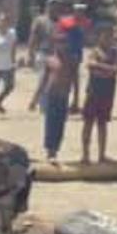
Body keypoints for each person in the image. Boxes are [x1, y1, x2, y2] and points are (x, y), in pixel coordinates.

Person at [80, 23, 117, 164]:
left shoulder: (115, 52)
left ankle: (101, 155)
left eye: (110, 35)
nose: (108, 38)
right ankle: (85, 155)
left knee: (102, 123)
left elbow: (116, 68)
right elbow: (91, 65)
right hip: (94, 91)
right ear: (99, 37)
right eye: (105, 35)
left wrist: (105, 69)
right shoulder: (95, 51)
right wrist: (110, 69)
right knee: (88, 122)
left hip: (107, 91)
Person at [39, 33, 75, 163]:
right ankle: (50, 152)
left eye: (64, 43)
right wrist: (35, 97)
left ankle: (56, 149)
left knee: (60, 124)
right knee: (50, 123)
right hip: (51, 95)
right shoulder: (50, 60)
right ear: (54, 44)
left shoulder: (71, 60)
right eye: (59, 42)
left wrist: (76, 99)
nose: (62, 45)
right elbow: (43, 80)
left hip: (64, 95)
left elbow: (75, 80)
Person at [28, 0, 65, 112]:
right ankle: (42, 105)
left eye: (56, 5)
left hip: (56, 54)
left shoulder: (61, 21)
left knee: (52, 81)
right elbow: (33, 38)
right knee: (43, 78)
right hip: (43, 53)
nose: (54, 7)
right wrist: (30, 54)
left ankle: (39, 102)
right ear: (47, 6)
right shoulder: (40, 20)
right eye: (52, 5)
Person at [58, 3, 91, 113]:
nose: (80, 13)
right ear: (74, 11)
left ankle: (75, 103)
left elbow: (87, 37)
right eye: (78, 10)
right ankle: (64, 102)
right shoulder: (67, 21)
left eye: (82, 11)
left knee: (75, 79)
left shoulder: (85, 22)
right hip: (66, 53)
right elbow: (61, 34)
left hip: (77, 54)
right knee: (66, 79)